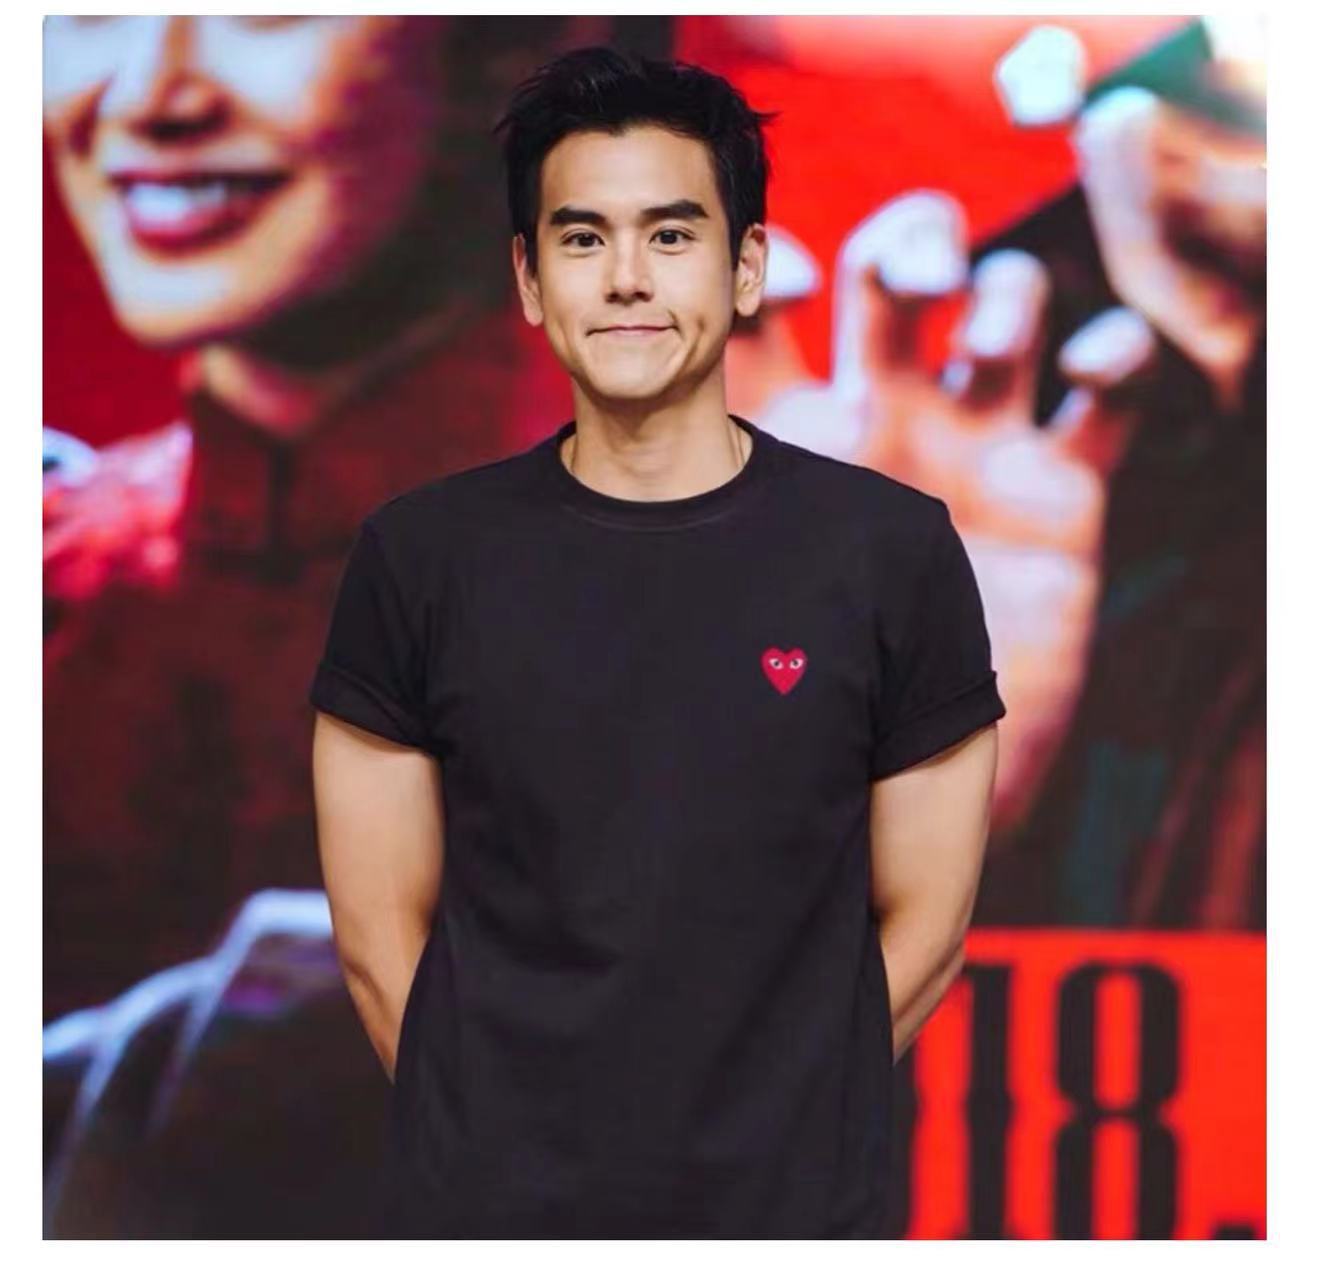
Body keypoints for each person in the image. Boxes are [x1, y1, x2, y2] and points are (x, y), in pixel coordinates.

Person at [309, 46, 1005, 1239]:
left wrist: (772, 1135)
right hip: (491, 1219)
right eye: (582, 238)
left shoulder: (889, 547)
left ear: (746, 267)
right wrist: (493, 1148)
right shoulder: (421, 555)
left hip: (792, 1221)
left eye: (671, 235)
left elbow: (927, 922)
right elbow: (379, 938)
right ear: (529, 279)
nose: (626, 277)